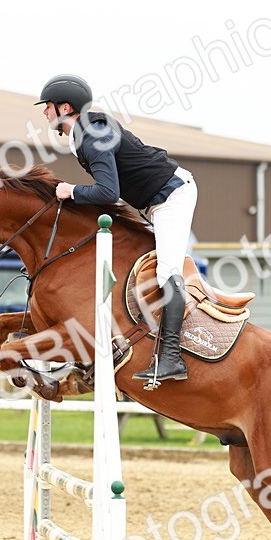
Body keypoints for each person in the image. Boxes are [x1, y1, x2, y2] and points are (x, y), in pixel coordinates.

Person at [34, 74, 197, 387]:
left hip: (171, 197)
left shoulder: (91, 135)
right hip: (154, 201)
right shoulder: (82, 133)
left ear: (65, 107)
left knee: (167, 272)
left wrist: (72, 191)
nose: (44, 113)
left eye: (48, 107)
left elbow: (108, 193)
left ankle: (173, 357)